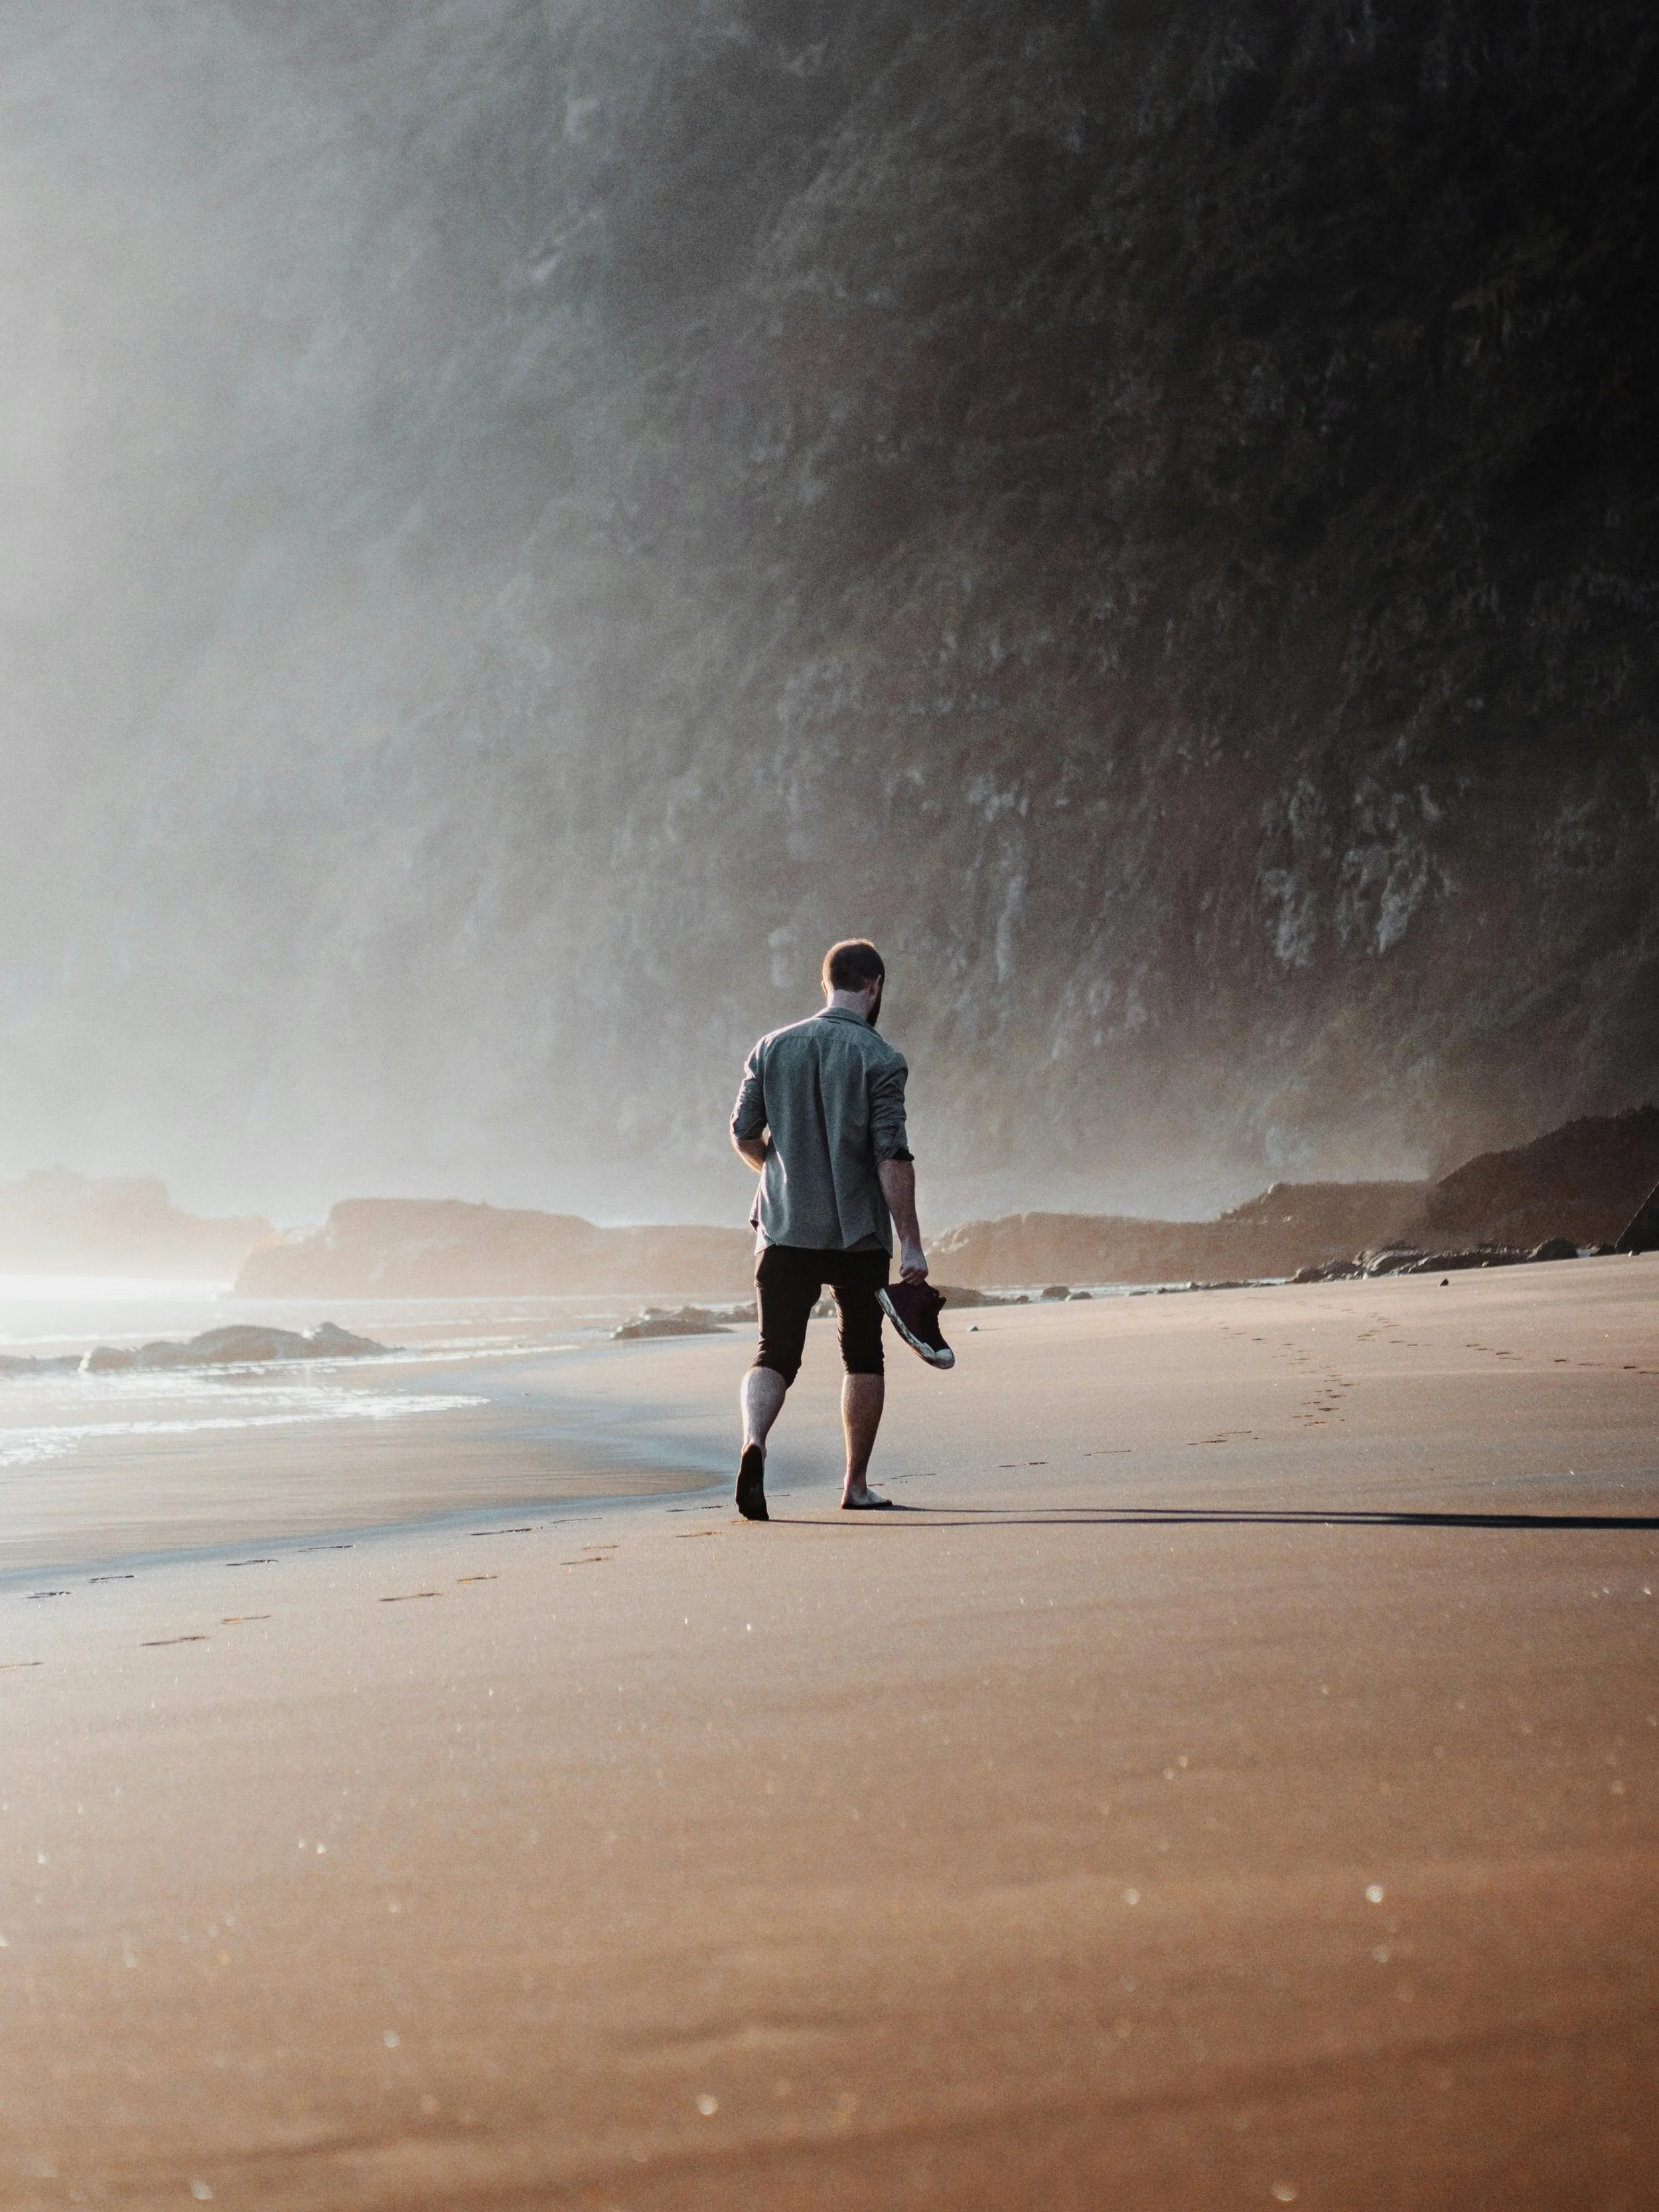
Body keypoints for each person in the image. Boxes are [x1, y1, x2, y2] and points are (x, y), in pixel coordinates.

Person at [729, 938, 950, 1520]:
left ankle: (754, 1443)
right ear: (874, 986)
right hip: (857, 1234)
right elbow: (891, 1155)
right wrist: (912, 1241)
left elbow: (744, 1132)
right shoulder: (881, 1058)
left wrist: (777, 1170)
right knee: (862, 1351)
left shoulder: (772, 1047)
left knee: (773, 1351)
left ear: (825, 983)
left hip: (782, 1227)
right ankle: (855, 1484)